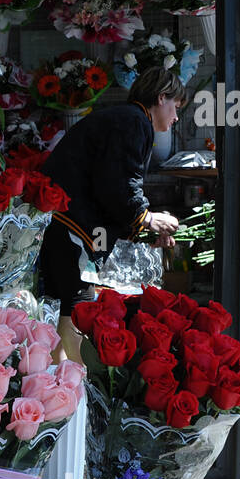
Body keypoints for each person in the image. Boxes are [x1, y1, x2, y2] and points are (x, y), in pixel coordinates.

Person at [37, 67, 184, 363]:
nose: (176, 117)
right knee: (78, 303)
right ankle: (77, 382)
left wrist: (144, 229)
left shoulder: (126, 119)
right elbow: (118, 184)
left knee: (67, 304)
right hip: (71, 222)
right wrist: (147, 219)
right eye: (176, 107)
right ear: (161, 97)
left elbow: (112, 188)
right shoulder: (135, 122)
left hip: (66, 220)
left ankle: (55, 376)